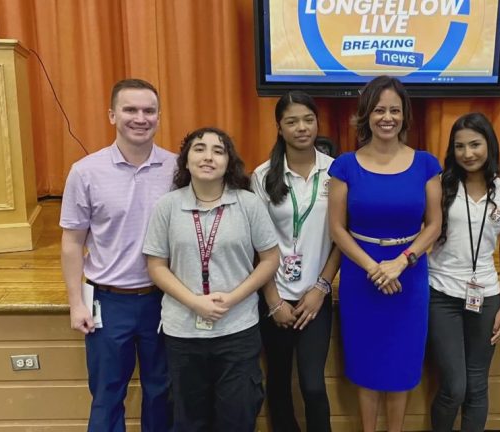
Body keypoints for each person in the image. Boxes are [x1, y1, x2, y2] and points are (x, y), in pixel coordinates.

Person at [143, 127, 280, 431]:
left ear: (229, 161)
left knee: (238, 418)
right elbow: (156, 265)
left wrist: (232, 298)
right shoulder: (167, 206)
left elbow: (270, 260)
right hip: (183, 333)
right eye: (199, 149)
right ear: (186, 160)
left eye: (218, 151)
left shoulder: (248, 204)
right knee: (188, 421)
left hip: (238, 330)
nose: (208, 156)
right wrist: (194, 302)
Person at [327, 75, 442, 432]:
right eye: (379, 110)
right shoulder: (345, 165)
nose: (387, 117)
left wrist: (401, 262)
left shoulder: (426, 163)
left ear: (405, 115)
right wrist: (374, 268)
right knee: (367, 366)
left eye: (394, 110)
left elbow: (434, 225)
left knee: (403, 367)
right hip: (362, 280)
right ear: (366, 115)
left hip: (409, 278)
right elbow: (337, 229)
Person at [59, 78, 174, 431]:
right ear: (112, 115)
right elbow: (72, 242)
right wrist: (76, 302)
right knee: (107, 393)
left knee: (163, 392)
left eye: (148, 110)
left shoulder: (179, 168)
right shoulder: (85, 172)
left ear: (158, 116)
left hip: (164, 300)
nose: (140, 118)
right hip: (108, 303)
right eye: (130, 110)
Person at [250, 91, 339, 432]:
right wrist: (273, 301)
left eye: (308, 119)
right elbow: (258, 245)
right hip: (274, 296)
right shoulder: (261, 177)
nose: (301, 127)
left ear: (317, 122)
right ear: (279, 127)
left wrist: (321, 288)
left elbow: (341, 238)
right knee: (278, 383)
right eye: (291, 121)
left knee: (313, 385)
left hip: (315, 297)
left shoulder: (337, 172)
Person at [427, 113, 500, 431]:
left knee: (478, 386)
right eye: (459, 146)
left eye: (475, 144)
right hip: (441, 293)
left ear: (489, 145)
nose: (468, 153)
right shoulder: (439, 186)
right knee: (455, 386)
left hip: (486, 297)